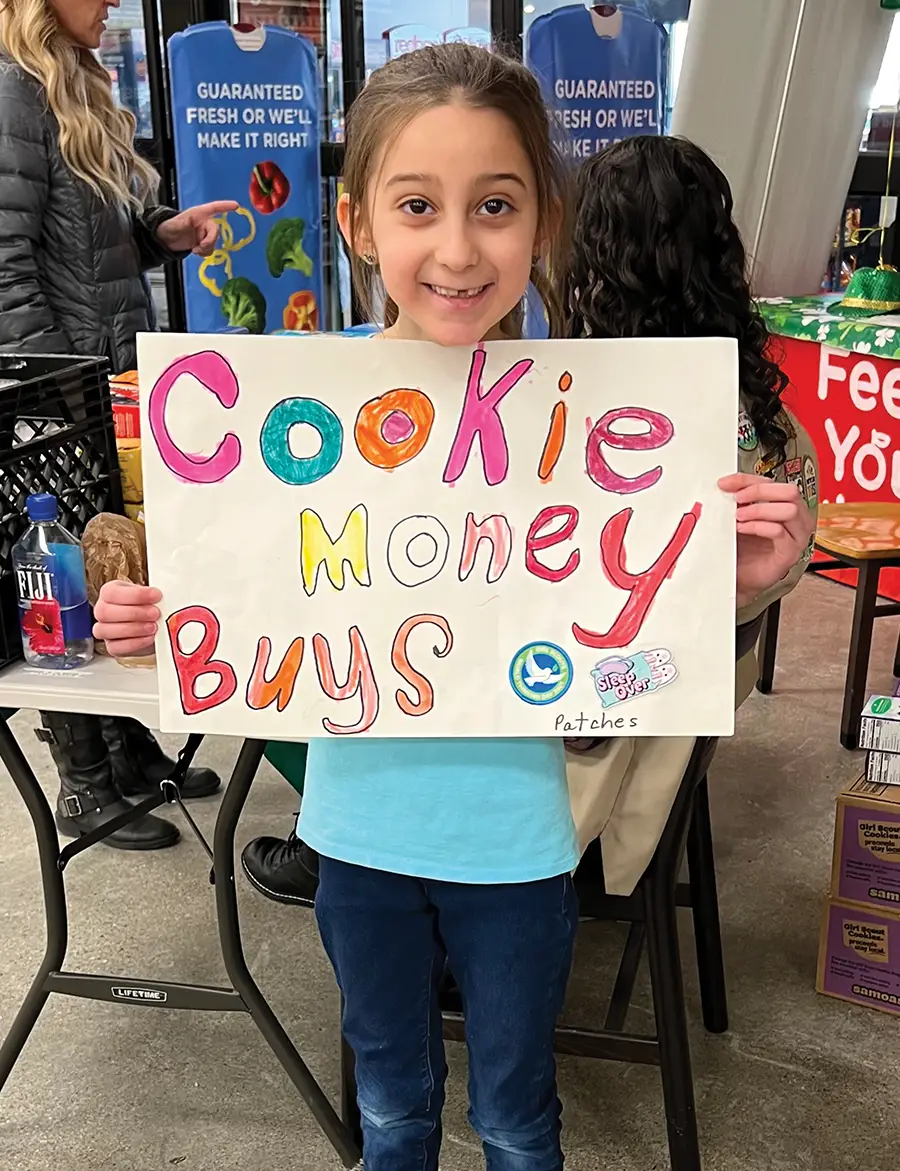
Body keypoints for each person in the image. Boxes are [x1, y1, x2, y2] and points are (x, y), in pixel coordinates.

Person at [93, 45, 814, 1170]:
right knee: (389, 1110)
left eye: (496, 206)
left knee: (520, 1119)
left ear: (543, 223)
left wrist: (735, 582)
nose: (459, 247)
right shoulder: (296, 414)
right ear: (357, 223)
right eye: (418, 205)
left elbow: (626, 655)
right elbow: (248, 592)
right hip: (356, 843)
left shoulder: (591, 425)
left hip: (519, 845)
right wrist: (160, 621)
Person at [0, 0, 232, 849]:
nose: (111, 4)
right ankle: (81, 783)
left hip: (101, 381)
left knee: (109, 562)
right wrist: (61, 388)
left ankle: (128, 754)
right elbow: (4, 269)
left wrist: (156, 237)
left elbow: (78, 249)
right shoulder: (13, 94)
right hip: (55, 394)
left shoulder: (67, 86)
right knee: (57, 574)